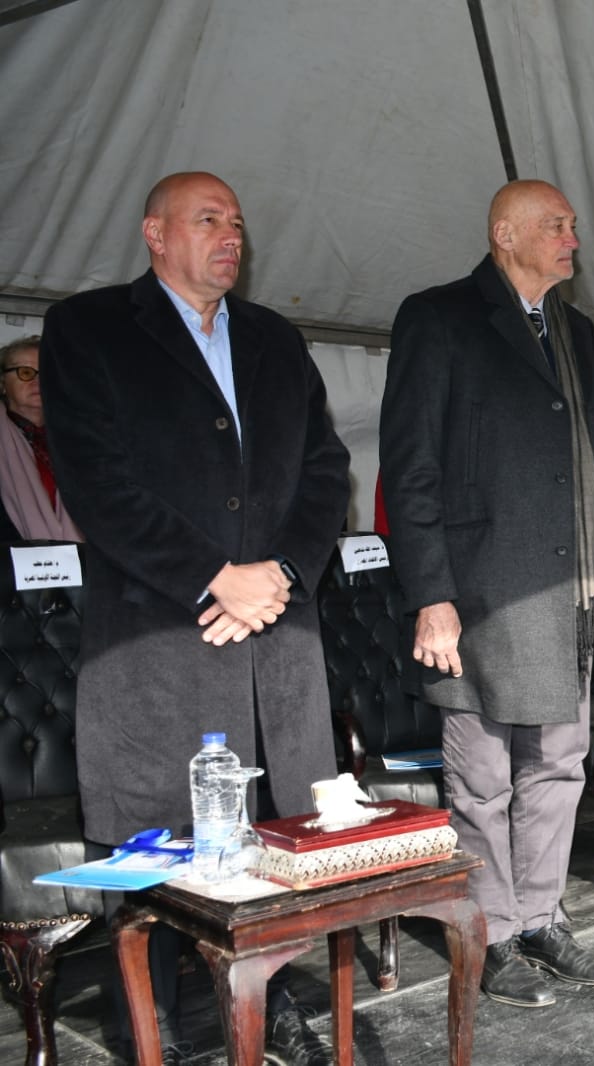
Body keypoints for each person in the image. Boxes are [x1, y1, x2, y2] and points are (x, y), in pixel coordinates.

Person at [41, 171, 350, 1063]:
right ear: (154, 233)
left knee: (277, 829)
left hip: (274, 636)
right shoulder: (90, 328)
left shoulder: (274, 337)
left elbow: (326, 468)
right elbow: (96, 480)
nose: (230, 236)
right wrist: (215, 577)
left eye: (238, 223)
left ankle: (274, 993)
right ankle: (153, 1022)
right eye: (209, 219)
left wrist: (280, 574)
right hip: (161, 634)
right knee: (157, 838)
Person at [381, 179, 594, 1009]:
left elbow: (586, 467)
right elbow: (410, 467)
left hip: (565, 593)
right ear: (504, 233)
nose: (572, 238)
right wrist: (431, 595)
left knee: (557, 767)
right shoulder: (438, 316)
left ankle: (541, 920)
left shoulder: (575, 330)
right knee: (483, 777)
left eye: (572, 226)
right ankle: (490, 933)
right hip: (478, 595)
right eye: (555, 225)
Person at [0, 335, 81, 541]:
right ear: (3, 383)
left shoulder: (80, 438)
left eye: (46, 372)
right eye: (26, 372)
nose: (37, 381)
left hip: (80, 556)